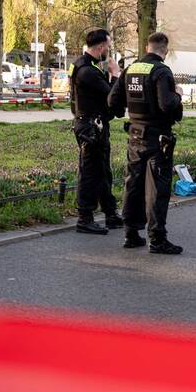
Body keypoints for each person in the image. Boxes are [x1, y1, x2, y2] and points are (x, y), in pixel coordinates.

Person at [108, 31, 184, 255]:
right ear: (165, 50)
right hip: (157, 137)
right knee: (156, 189)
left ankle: (131, 234)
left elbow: (113, 101)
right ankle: (157, 239)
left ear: (147, 47)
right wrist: (178, 94)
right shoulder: (161, 71)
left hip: (134, 135)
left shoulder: (131, 69)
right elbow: (167, 105)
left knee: (133, 184)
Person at [69, 28, 123, 235]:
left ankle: (110, 213)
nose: (108, 51)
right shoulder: (88, 71)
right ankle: (85, 218)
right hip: (90, 127)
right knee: (90, 172)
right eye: (107, 47)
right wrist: (115, 75)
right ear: (100, 47)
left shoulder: (83, 65)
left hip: (92, 124)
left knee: (102, 171)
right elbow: (112, 96)